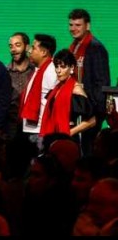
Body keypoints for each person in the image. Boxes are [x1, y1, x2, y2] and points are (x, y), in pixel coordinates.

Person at [67, 8, 110, 155]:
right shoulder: (74, 46)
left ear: (88, 26)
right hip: (77, 107)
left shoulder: (95, 48)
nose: (73, 28)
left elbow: (102, 81)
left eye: (78, 25)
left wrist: (95, 111)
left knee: (88, 151)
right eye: (71, 25)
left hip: (89, 110)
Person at [39, 49, 95, 140]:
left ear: (72, 67)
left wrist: (70, 132)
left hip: (68, 138)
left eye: (63, 67)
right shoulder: (56, 88)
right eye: (56, 66)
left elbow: (92, 120)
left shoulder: (76, 88)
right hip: (53, 137)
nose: (58, 70)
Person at [19, 34, 57, 147]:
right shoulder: (38, 70)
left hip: (40, 130)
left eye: (34, 48)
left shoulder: (52, 71)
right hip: (31, 128)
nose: (30, 51)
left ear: (44, 52)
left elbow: (55, 102)